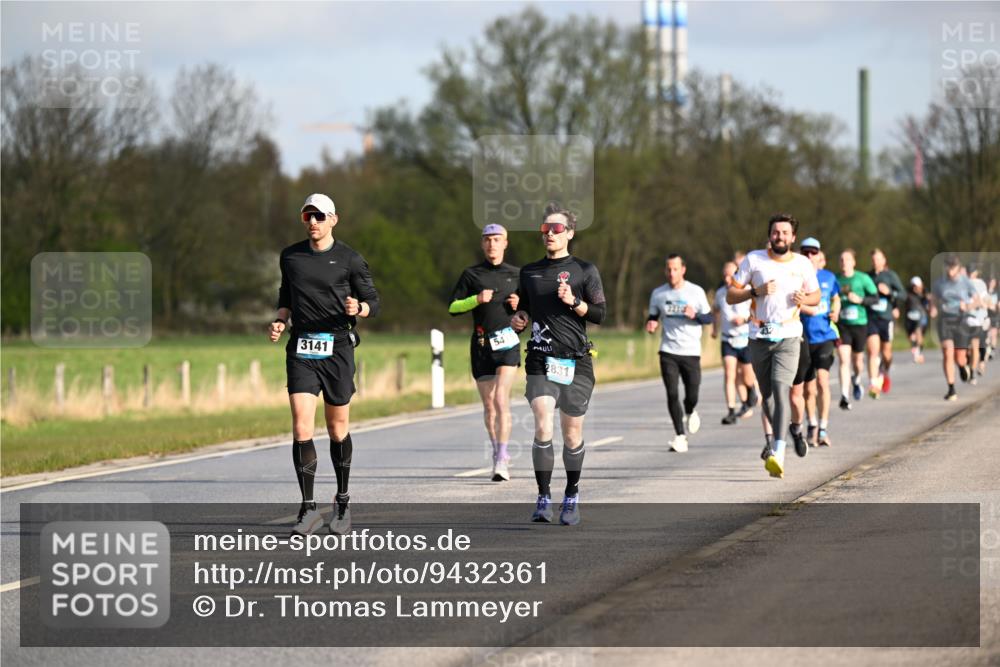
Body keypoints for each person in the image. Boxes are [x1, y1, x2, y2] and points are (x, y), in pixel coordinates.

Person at [270, 193, 380, 536]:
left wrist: (358, 309)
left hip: (337, 347)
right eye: (307, 216)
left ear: (334, 218)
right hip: (302, 346)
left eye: (319, 216)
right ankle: (308, 508)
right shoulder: (290, 256)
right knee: (302, 426)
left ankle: (342, 501)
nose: (313, 222)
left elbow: (373, 302)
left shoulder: (350, 259)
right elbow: (286, 293)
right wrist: (279, 319)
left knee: (337, 428)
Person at [511, 203, 606, 525]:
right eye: (545, 229)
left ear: (570, 233)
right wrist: (519, 319)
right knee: (541, 424)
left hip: (576, 362)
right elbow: (522, 310)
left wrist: (575, 302)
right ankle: (542, 497)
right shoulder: (529, 272)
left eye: (557, 229)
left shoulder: (585, 271)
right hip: (540, 358)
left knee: (572, 433)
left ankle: (572, 494)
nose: (550, 234)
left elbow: (600, 315)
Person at [727, 213, 820, 479]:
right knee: (767, 399)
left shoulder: (802, 263)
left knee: (781, 390)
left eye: (785, 233)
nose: (780, 236)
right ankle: (784, 434)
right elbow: (733, 295)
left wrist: (806, 298)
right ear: (770, 235)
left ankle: (778, 452)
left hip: (789, 336)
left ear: (793, 237)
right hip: (758, 338)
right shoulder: (754, 260)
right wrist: (754, 292)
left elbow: (816, 295)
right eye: (776, 232)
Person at [448, 224, 520, 481]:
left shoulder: (517, 274)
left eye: (497, 239)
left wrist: (519, 305)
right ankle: (497, 449)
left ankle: (502, 458)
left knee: (501, 398)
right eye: (488, 240)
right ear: (482, 244)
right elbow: (453, 307)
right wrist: (476, 300)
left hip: (508, 343)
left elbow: (529, 312)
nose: (492, 244)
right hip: (481, 345)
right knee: (489, 405)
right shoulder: (471, 275)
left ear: (505, 243)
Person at [647, 254, 713, 452]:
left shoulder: (696, 291)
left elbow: (709, 318)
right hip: (668, 350)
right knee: (672, 393)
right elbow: (653, 316)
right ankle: (680, 436)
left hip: (691, 351)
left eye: (675, 269)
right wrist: (651, 323)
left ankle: (691, 411)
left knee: (691, 395)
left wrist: (696, 315)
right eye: (668, 269)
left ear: (683, 270)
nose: (671, 273)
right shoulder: (658, 294)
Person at [797, 240, 841, 448]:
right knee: (808, 389)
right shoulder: (795, 278)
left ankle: (823, 427)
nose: (809, 256)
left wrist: (836, 311)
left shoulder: (828, 277)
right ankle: (812, 424)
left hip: (824, 336)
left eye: (813, 253)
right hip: (803, 338)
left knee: (823, 381)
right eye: (805, 252)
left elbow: (836, 298)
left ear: (818, 255)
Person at [712, 261, 758, 426]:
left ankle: (752, 391)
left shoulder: (746, 291)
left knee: (746, 376)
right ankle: (731, 411)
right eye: (724, 275)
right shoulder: (720, 293)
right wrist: (714, 329)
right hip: (728, 339)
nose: (727, 278)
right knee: (729, 374)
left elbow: (756, 312)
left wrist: (744, 319)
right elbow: (715, 310)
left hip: (744, 338)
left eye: (730, 275)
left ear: (737, 274)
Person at [835, 249, 879, 410]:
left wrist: (860, 300)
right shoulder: (836, 279)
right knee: (843, 359)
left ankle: (857, 378)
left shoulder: (863, 278)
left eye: (847, 260)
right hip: (843, 325)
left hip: (860, 324)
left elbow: (875, 298)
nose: (844, 263)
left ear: (853, 262)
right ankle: (844, 396)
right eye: (841, 260)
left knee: (858, 361)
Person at [929, 255, 975, 401]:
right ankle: (951, 388)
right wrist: (933, 308)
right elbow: (934, 299)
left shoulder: (965, 282)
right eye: (948, 267)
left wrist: (967, 305)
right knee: (947, 353)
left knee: (959, 356)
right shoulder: (939, 283)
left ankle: (962, 366)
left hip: (961, 320)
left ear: (958, 267)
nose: (950, 270)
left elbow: (977, 300)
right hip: (944, 321)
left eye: (953, 267)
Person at [867, 249, 906, 396]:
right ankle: (873, 384)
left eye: (878, 259)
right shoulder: (868, 276)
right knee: (872, 351)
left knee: (886, 353)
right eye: (873, 259)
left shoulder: (891, 276)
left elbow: (903, 295)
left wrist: (889, 292)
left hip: (886, 318)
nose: (875, 262)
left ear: (884, 260)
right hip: (871, 318)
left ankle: (884, 372)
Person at [967, 266, 990, 383]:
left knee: (975, 346)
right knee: (976, 346)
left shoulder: (963, 282)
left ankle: (972, 369)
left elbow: (986, 300)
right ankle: (972, 372)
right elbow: (985, 300)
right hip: (974, 320)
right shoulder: (976, 283)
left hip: (975, 320)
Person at [904, 276, 931, 364]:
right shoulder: (908, 294)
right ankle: (917, 352)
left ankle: (918, 353)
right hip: (910, 317)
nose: (916, 288)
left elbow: (928, 304)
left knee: (918, 334)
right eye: (914, 286)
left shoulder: (924, 294)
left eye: (918, 286)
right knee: (911, 337)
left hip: (921, 317)